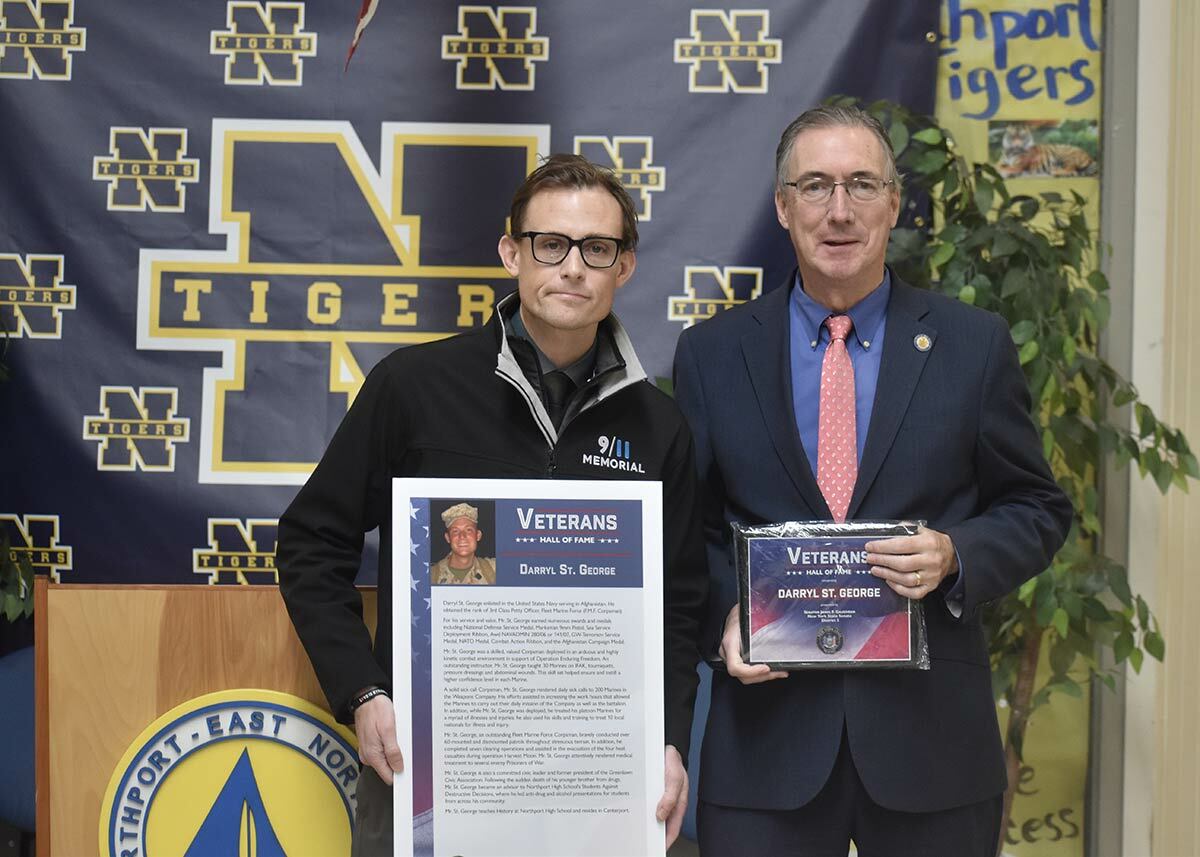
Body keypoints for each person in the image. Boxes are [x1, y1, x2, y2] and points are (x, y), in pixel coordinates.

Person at [671, 105, 1072, 856]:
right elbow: (686, 533)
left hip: (931, 746)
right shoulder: (713, 353)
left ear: (894, 202)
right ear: (783, 206)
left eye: (862, 184)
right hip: (767, 748)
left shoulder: (971, 345)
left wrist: (956, 552)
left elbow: (1038, 507)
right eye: (816, 186)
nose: (840, 209)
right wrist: (728, 615)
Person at [278, 154, 706, 855]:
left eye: (597, 248)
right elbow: (309, 541)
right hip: (431, 771)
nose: (573, 266)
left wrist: (667, 740)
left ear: (623, 267)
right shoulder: (414, 387)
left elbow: (679, 606)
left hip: (595, 778)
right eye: (551, 244)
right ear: (512, 252)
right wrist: (361, 691)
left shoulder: (659, 427)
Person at [430, 502, 496, 585]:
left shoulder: (494, 570)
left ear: (478, 535)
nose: (462, 536)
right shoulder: (430, 576)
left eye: (468, 530)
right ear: (448, 538)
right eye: (455, 531)